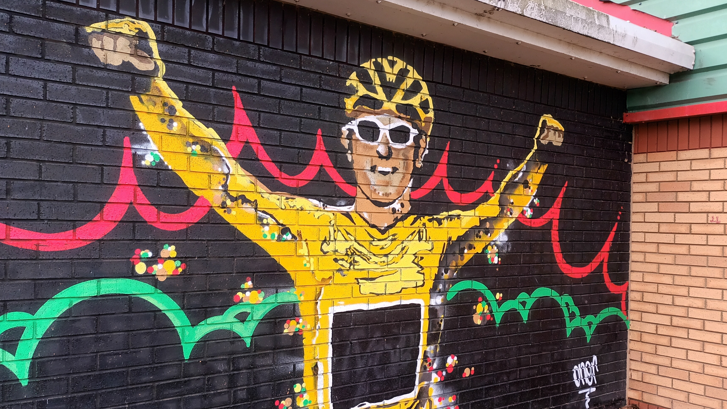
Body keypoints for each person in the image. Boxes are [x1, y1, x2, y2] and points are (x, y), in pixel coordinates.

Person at [85, 18, 565, 409]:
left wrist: (539, 159)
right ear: (347, 144)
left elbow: (498, 211)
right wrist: (151, 88)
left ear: (419, 155)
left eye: (401, 136)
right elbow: (224, 182)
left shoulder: (436, 239)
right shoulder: (312, 230)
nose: (384, 148)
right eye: (369, 129)